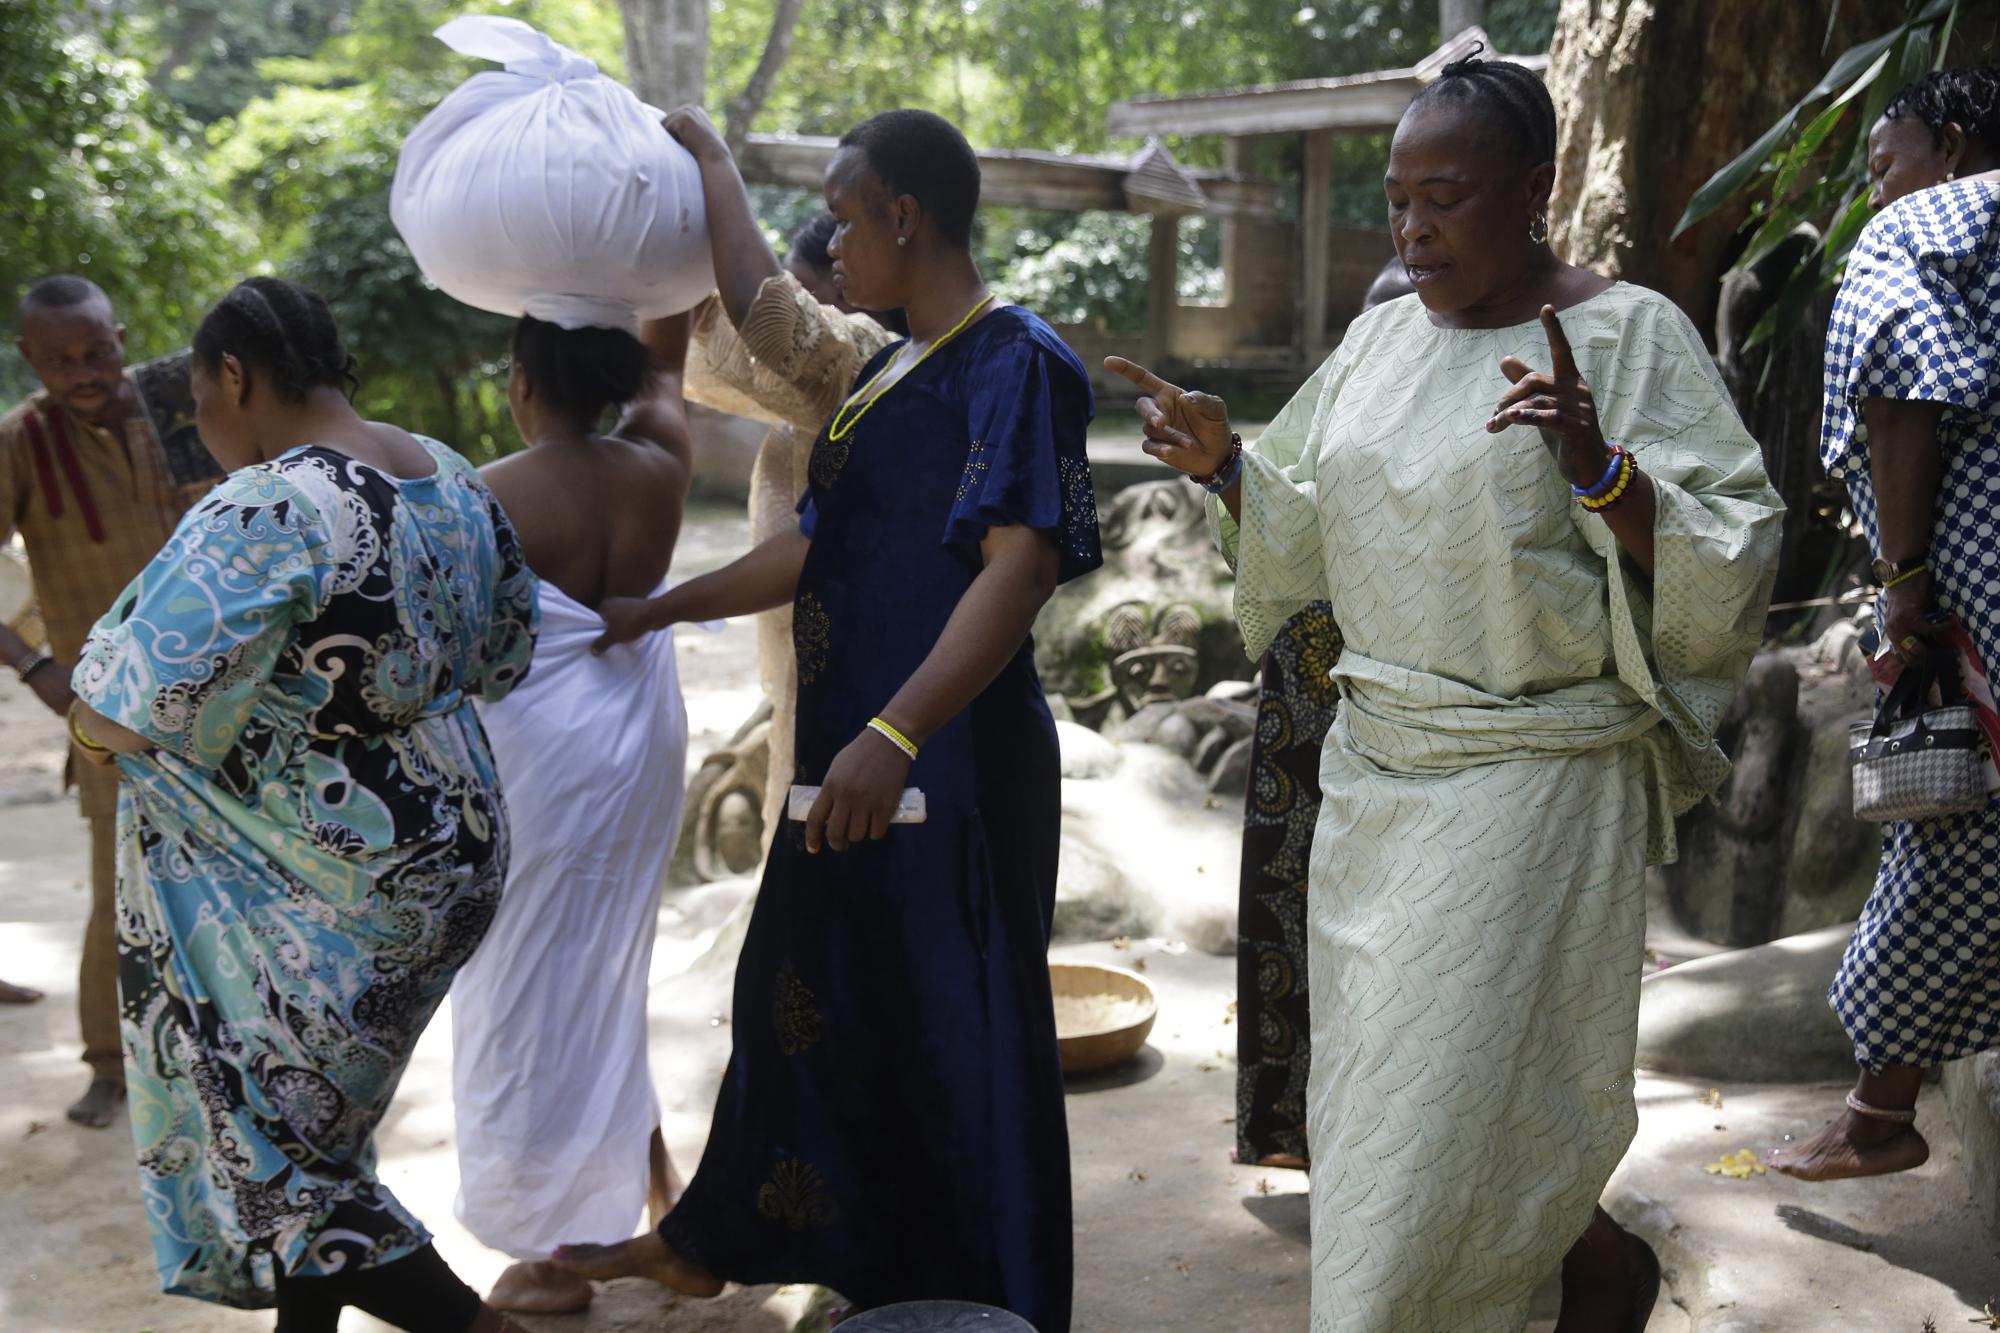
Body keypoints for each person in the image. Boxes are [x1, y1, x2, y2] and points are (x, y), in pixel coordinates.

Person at [1108, 53, 1781, 1331]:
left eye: (1446, 198)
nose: (1412, 228)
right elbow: (1306, 535)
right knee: (1402, 1109)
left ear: (1535, 189)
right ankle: (1592, 1268)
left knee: (1435, 1113)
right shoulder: (1376, 338)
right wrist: (1225, 464)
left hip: (1532, 779)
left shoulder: (1628, 333)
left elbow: (1734, 550)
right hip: (1377, 779)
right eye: (1398, 199)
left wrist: (1600, 470)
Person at [552, 108, 1099, 1332]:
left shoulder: (1018, 360)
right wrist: (657, 609)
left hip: (947, 762)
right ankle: (721, 1237)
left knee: (955, 1022)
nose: (836, 246)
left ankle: (981, 1302)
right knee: (806, 988)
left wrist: (897, 732)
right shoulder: (888, 371)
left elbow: (1017, 566)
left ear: (905, 215)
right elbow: (815, 549)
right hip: (851, 753)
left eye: (848, 220)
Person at [67, 277, 538, 1332]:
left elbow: (125, 708)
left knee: (284, 1158)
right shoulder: (448, 475)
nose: (202, 428)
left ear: (234, 377)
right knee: (315, 1132)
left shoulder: (274, 504)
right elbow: (508, 650)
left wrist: (99, 732)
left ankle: (476, 1327)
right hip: (454, 852)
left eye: (197, 402)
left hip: (329, 884)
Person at [1770, 66, 2000, 1183]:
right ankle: (1875, 1107)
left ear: (1950, 146)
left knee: (1951, 826)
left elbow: (1904, 383)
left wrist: (1902, 579)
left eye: (1881, 164)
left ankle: (1876, 1113)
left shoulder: (1922, 223)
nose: (1875, 196)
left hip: (1980, 592)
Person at [448, 309, 696, 1314]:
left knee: (527, 997)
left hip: (539, 773)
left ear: (519, 380)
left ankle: (556, 1253)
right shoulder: (662, 464)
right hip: (636, 754)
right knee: (601, 976)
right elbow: (667, 370)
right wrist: (655, 313)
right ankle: (658, 1196)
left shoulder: (482, 498)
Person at [1, 273, 221, 1128]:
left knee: (232, 881)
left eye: (96, 350)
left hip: (223, 697)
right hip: (107, 710)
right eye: (60, 359)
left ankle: (225, 1051)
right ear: (30, 358)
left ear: (120, 336)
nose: (83, 370)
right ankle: (107, 1062)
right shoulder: (21, 442)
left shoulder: (180, 408)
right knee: (117, 883)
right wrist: (32, 666)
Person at [670, 105, 902, 847]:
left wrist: (712, 160)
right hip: (805, 697)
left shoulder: (875, 366)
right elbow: (716, 347)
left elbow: (774, 329)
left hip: (879, 712)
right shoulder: (800, 408)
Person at [1234, 257, 1410, 1173]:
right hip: (1309, 703)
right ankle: (1313, 1139)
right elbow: (1270, 511)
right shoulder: (1332, 411)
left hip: (1416, 719)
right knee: (1299, 925)